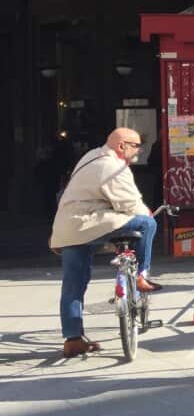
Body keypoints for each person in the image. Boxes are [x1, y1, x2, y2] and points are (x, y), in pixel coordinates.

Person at [50, 128, 162, 358]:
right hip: (90, 224)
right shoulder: (113, 166)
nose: (139, 150)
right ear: (122, 146)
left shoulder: (91, 156)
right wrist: (149, 213)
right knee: (146, 224)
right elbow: (131, 204)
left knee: (73, 284)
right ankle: (140, 275)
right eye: (136, 145)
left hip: (68, 228)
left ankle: (73, 340)